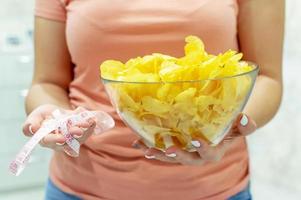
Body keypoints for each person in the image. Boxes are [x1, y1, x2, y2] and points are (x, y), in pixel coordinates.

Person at [22, 0, 284, 199]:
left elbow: (267, 78)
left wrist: (230, 130)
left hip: (215, 188)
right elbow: (47, 82)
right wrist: (55, 119)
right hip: (80, 188)